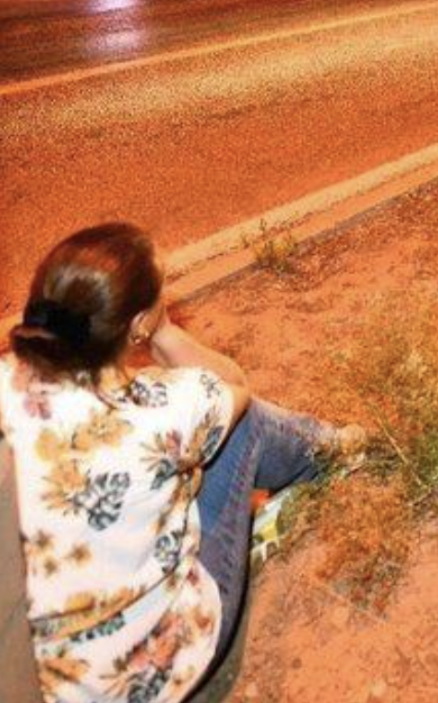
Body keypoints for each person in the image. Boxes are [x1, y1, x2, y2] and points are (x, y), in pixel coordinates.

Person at [0, 224, 365, 703]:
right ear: (135, 325)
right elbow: (234, 386)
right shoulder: (161, 411)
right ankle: (335, 451)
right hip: (157, 670)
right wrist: (164, 332)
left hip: (54, 681)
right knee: (248, 423)